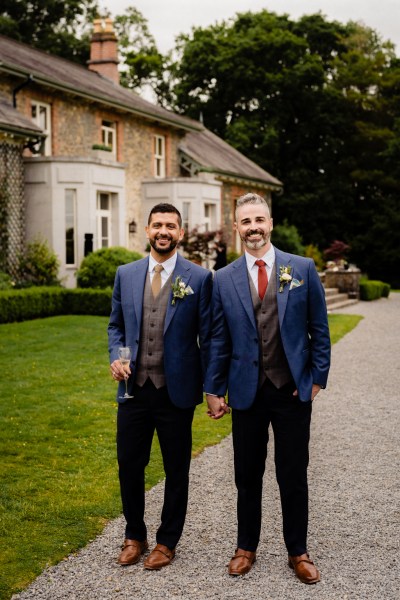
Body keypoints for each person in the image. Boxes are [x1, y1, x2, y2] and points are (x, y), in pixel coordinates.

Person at [205, 193, 330, 583]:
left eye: (260, 220)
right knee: (247, 474)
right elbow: (217, 339)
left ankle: (298, 551)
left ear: (271, 223)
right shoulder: (222, 278)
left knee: (292, 473)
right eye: (246, 222)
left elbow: (319, 331)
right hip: (246, 391)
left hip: (291, 390)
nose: (254, 228)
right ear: (237, 227)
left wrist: (316, 379)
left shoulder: (303, 269)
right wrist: (214, 387)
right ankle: (246, 547)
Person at [108, 203, 212, 570]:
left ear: (180, 233)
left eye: (170, 225)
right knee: (128, 465)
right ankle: (134, 534)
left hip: (176, 391)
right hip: (133, 390)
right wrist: (114, 356)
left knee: (176, 468)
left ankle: (168, 541)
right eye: (157, 225)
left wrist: (213, 386)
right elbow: (116, 326)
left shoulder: (199, 279)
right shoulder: (126, 273)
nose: (163, 231)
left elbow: (210, 337)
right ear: (148, 231)